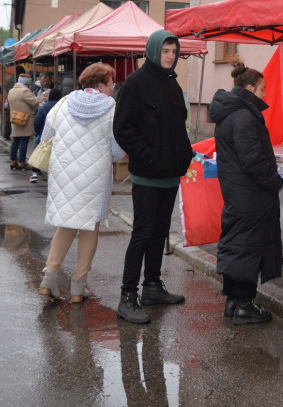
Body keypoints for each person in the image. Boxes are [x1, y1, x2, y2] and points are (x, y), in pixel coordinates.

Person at [113, 31, 193, 324]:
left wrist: (185, 154)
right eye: (166, 50)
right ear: (153, 50)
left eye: (174, 51)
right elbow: (123, 129)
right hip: (147, 175)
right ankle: (127, 296)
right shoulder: (135, 84)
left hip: (171, 174)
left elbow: (178, 127)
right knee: (143, 234)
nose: (170, 56)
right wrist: (148, 155)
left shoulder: (172, 84)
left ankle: (152, 286)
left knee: (160, 233)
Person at [37, 64, 125, 303]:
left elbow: (46, 136)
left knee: (65, 223)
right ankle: (78, 286)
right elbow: (117, 150)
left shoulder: (63, 103)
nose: (113, 87)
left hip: (63, 173)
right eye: (111, 83)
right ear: (100, 85)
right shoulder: (112, 109)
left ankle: (49, 279)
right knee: (89, 227)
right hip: (95, 177)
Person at [209, 62, 283, 325]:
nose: (265, 94)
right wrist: (274, 181)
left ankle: (233, 300)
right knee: (248, 248)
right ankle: (244, 305)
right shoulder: (243, 116)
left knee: (237, 244)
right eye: (262, 89)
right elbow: (252, 160)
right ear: (250, 88)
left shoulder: (232, 113)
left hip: (238, 192)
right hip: (250, 195)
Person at [7, 72, 39, 170]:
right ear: (26, 82)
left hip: (15, 117)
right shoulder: (25, 91)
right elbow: (35, 102)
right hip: (25, 119)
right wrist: (37, 97)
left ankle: (13, 161)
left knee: (15, 140)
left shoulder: (11, 91)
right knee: (24, 140)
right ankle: (22, 162)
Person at [31, 88, 63, 183]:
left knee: (39, 153)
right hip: (58, 135)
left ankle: (34, 173)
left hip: (44, 134)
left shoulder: (44, 107)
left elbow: (37, 121)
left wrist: (37, 132)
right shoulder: (62, 106)